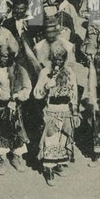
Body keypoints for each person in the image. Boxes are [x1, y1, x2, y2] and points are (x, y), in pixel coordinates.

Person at [32, 42, 80, 186]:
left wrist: (75, 111)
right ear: (51, 59)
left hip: (65, 109)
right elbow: (37, 94)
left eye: (61, 59)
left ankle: (59, 163)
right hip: (51, 110)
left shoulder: (69, 72)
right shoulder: (45, 72)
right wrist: (47, 86)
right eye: (56, 59)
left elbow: (74, 93)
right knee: (51, 138)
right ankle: (49, 168)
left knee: (62, 139)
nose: (58, 62)